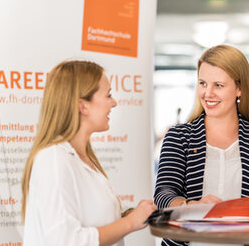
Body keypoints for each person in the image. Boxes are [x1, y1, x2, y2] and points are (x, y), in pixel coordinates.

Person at [154, 45, 249, 246]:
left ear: (239, 88)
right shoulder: (179, 137)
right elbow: (163, 194)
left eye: (218, 85)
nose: (207, 93)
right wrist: (191, 205)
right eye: (202, 83)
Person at [21, 61, 156, 246]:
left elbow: (90, 220)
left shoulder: (82, 157)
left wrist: (129, 215)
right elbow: (65, 240)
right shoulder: (53, 159)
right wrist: (129, 223)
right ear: (83, 106)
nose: (114, 102)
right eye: (108, 95)